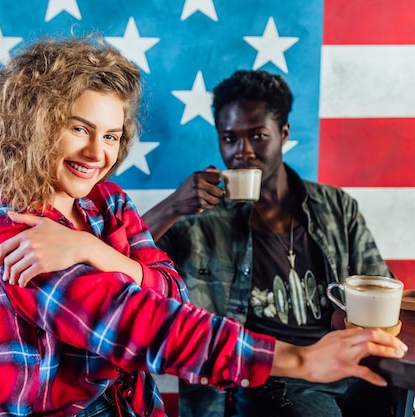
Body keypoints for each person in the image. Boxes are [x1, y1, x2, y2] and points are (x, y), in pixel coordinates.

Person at [0, 36, 407, 417]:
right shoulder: (10, 229)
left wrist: (94, 250)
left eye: (112, 135)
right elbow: (140, 325)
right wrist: (299, 360)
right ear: (36, 126)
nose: (98, 153)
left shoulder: (109, 203)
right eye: (79, 129)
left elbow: (173, 293)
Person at [141, 69, 398, 417]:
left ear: (284, 134)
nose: (242, 152)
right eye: (229, 138)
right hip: (268, 374)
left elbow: (380, 291)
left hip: (344, 363)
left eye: (258, 136)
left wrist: (351, 319)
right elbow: (121, 261)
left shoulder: (337, 207)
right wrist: (172, 206)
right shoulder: (196, 220)